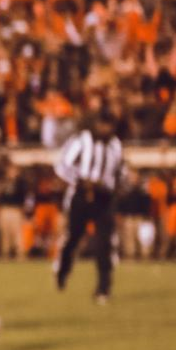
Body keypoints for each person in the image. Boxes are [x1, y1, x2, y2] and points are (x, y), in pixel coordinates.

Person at [54, 110, 127, 302]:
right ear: (96, 124)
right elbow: (62, 165)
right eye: (103, 124)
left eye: (109, 125)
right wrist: (80, 180)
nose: (106, 129)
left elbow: (120, 169)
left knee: (105, 242)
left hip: (104, 197)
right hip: (82, 195)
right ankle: (63, 271)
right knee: (74, 237)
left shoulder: (115, 144)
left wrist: (116, 186)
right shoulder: (81, 140)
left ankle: (103, 288)